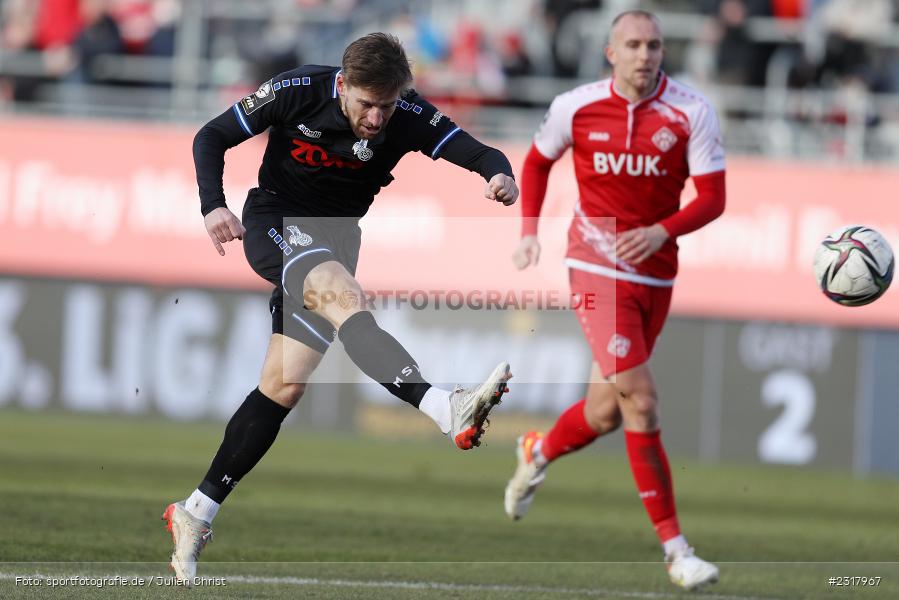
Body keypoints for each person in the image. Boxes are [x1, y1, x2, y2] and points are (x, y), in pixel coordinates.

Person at [162, 33, 517, 584]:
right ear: (343, 85)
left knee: (283, 386)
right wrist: (213, 206)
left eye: (388, 105)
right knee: (345, 298)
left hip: (337, 238)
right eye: (366, 104)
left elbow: (479, 151)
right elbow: (212, 136)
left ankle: (194, 512)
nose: (377, 118)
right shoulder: (297, 89)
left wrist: (500, 175)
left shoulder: (409, 113)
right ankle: (445, 408)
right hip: (275, 221)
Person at [503, 10, 726, 592]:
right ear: (610, 53)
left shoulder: (691, 112)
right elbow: (535, 161)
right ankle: (677, 551)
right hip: (594, 263)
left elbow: (713, 199)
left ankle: (538, 448)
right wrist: (529, 230)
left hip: (654, 272)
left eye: (654, 44)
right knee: (642, 402)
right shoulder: (575, 106)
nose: (645, 54)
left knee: (605, 411)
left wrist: (663, 231)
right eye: (633, 44)